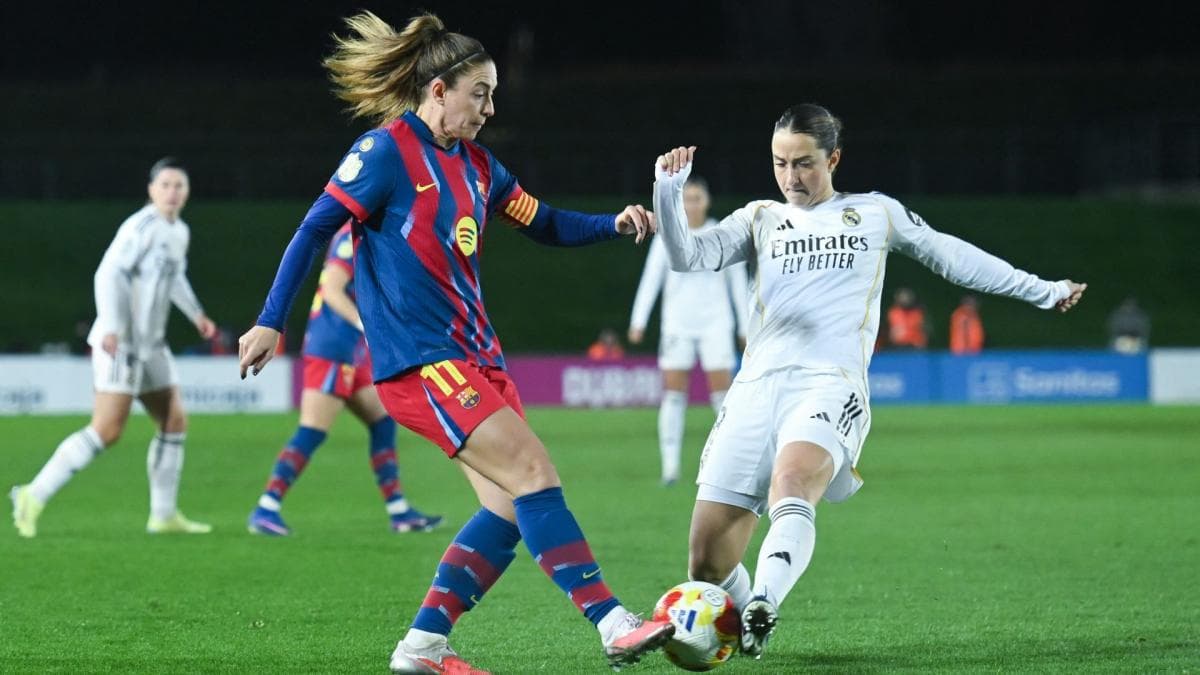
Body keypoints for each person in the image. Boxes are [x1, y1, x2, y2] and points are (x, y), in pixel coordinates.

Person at [235, 12, 672, 673]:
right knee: (535, 474)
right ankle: (613, 623)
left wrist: (612, 223)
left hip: (478, 359)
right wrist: (272, 318)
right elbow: (313, 229)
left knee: (507, 506)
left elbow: (545, 222)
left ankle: (422, 647)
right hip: (422, 361)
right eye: (480, 93)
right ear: (438, 89)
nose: (490, 109)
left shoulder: (478, 166)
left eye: (493, 96)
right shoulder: (384, 152)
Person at [651, 104, 1086, 661]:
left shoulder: (875, 213)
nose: (790, 178)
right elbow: (686, 257)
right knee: (707, 564)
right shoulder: (760, 217)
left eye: (804, 164)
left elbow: (951, 255)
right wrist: (667, 192)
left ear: (833, 159)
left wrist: (1042, 290)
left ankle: (764, 600)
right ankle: (747, 621)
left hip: (829, 383)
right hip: (755, 388)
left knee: (792, 478)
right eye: (780, 163)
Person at [10, 157, 217, 538]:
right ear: (151, 190)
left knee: (174, 421)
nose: (172, 192)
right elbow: (107, 273)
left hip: (152, 344)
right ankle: (31, 495)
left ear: (187, 192)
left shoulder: (179, 232)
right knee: (107, 430)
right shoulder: (140, 227)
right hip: (122, 342)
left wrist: (197, 315)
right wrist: (112, 324)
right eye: (165, 185)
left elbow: (175, 277)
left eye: (179, 185)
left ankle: (163, 515)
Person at [247, 223, 443, 536]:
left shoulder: (372, 232)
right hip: (331, 347)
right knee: (312, 430)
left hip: (349, 350)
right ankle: (266, 508)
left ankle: (399, 511)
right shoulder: (349, 233)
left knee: (382, 421)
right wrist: (366, 326)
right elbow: (332, 290)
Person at [627, 175, 748, 486]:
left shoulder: (723, 233)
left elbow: (738, 283)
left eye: (697, 198)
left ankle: (731, 464)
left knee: (722, 396)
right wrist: (638, 321)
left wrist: (745, 325)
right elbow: (651, 279)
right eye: (687, 199)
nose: (692, 205)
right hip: (677, 324)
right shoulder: (668, 235)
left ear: (707, 201)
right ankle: (670, 468)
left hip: (716, 323)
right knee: (673, 394)